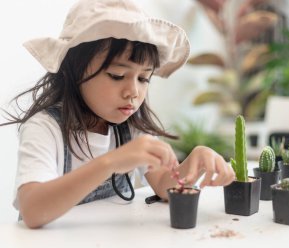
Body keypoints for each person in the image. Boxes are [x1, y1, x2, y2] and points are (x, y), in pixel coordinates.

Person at [1, 0, 235, 229]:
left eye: (144, 78)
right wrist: (111, 162)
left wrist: (194, 162)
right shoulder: (45, 127)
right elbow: (32, 210)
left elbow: (164, 186)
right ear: (73, 71)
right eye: (117, 75)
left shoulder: (130, 127)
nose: (133, 92)